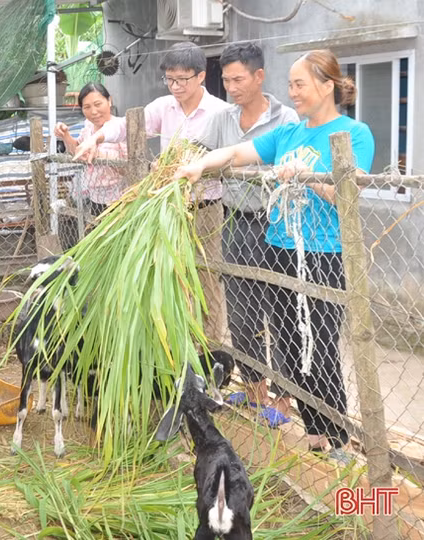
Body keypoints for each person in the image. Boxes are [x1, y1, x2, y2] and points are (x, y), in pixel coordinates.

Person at [174, 49, 375, 464]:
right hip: (279, 249)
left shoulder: (354, 133)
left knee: (318, 347)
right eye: (291, 85)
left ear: (327, 85)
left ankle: (336, 436)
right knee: (288, 344)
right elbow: (234, 154)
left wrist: (304, 176)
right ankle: (316, 433)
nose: (293, 92)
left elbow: (346, 197)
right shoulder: (288, 134)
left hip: (322, 253)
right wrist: (196, 166)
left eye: (300, 84)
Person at [74, 42, 230, 347]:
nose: (175, 86)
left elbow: (231, 154)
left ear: (201, 77)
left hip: (205, 207)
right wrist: (98, 136)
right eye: (170, 79)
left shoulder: (220, 113)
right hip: (168, 206)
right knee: (172, 276)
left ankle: (212, 351)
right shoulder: (163, 106)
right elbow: (126, 126)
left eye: (182, 79)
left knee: (207, 278)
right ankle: (178, 346)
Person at [196, 42, 299, 428]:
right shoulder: (223, 118)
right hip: (237, 219)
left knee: (281, 311)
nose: (232, 86)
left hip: (278, 224)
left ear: (259, 76)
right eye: (226, 80)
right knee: (241, 311)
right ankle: (256, 393)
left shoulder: (287, 119)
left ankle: (285, 401)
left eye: (238, 78)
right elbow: (199, 150)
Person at [54, 83, 127, 248]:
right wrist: (66, 135)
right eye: (86, 107)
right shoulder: (88, 128)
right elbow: (76, 151)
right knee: (101, 249)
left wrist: (101, 156)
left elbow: (131, 169)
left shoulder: (121, 128)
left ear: (109, 101)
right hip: (96, 200)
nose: (93, 111)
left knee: (119, 247)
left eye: (98, 104)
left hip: (121, 201)